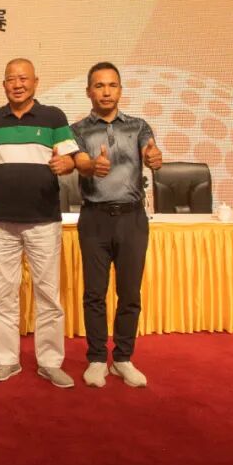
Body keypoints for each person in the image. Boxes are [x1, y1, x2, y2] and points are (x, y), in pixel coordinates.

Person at [0, 58, 77, 388]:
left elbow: (69, 159)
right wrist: (2, 176)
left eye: (23, 79)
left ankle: (50, 362)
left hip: (43, 219)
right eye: (11, 79)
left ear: (35, 81)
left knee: (48, 294)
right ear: (3, 84)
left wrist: (65, 164)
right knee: (3, 293)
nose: (17, 84)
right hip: (2, 219)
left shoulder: (54, 117)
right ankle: (7, 360)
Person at [70, 62, 163, 389]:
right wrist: (90, 166)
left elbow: (151, 151)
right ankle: (97, 358)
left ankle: (123, 358)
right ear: (89, 92)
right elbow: (78, 161)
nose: (106, 91)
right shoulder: (77, 130)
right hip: (94, 218)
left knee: (129, 293)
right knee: (94, 294)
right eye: (99, 86)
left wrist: (154, 158)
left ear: (120, 90)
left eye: (112, 85)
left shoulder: (138, 126)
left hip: (131, 219)